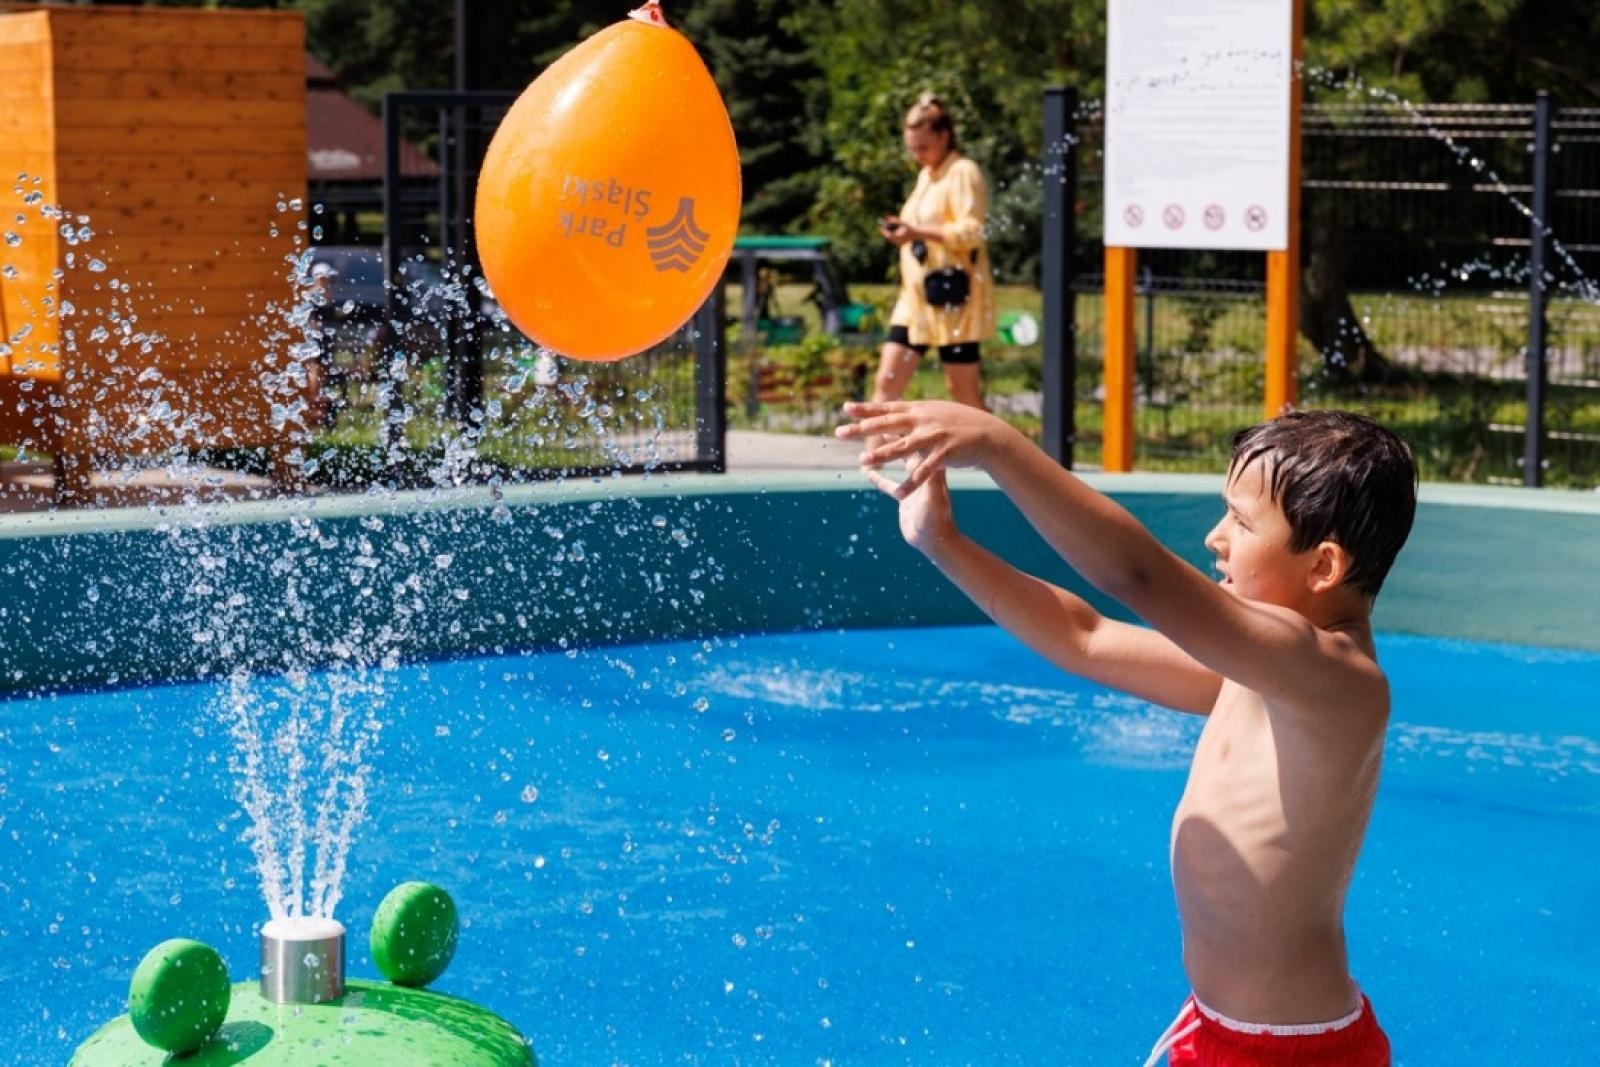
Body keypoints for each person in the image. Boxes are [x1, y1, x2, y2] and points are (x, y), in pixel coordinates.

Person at [836, 401, 1415, 1066]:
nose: (1215, 537)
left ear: (1322, 566)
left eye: (1242, 521)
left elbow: (1137, 575)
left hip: (1291, 1053)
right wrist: (942, 541)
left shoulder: (1336, 682)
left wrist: (999, 447)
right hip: (1218, 1028)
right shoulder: (1260, 673)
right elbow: (1085, 637)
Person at [874, 93, 996, 412]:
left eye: (923, 148)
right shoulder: (926, 176)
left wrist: (916, 232)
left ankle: (998, 458)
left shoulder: (962, 172)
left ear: (944, 137)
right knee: (887, 382)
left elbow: (972, 232)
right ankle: (869, 462)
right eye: (912, 149)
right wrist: (902, 228)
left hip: (952, 300)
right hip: (916, 301)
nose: (917, 156)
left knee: (963, 392)